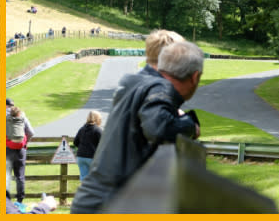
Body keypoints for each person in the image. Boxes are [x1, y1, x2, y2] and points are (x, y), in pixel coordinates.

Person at [70, 42, 204, 213]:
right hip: (111, 204)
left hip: (95, 200)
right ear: (195, 77)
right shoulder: (160, 87)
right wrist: (190, 125)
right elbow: (159, 128)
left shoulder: (133, 84)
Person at [6, 105, 35, 204]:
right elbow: (31, 132)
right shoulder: (23, 118)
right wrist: (25, 143)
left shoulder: (5, 118)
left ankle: (7, 201)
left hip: (8, 149)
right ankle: (20, 201)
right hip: (20, 150)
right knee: (20, 176)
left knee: (7, 175)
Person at [73, 111, 104, 180]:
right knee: (95, 178)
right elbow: (103, 144)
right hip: (92, 157)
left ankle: (84, 190)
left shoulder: (82, 129)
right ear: (97, 119)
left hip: (81, 156)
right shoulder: (98, 130)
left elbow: (75, 142)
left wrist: (83, 148)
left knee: (84, 178)